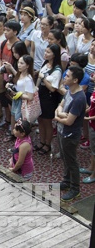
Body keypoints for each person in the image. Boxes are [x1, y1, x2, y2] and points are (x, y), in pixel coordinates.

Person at [55, 66, 86, 201]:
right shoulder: (69, 91)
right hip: (62, 132)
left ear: (75, 80)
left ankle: (75, 188)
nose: (64, 78)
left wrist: (57, 117)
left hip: (70, 135)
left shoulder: (79, 98)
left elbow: (69, 121)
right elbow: (60, 106)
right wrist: (60, 113)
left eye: (67, 76)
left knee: (71, 161)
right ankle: (66, 181)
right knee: (65, 157)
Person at [35, 44, 63, 155]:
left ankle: (48, 144)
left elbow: (53, 88)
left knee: (47, 121)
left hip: (49, 98)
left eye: (48, 52)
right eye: (45, 51)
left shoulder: (57, 70)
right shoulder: (46, 64)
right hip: (40, 95)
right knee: (40, 120)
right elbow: (39, 78)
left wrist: (44, 78)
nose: (45, 54)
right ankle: (41, 141)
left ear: (54, 55)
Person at [3, 54, 36, 140]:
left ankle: (21, 139)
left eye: (22, 63)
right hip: (17, 101)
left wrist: (18, 94)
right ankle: (14, 136)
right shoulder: (21, 74)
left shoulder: (28, 79)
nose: (19, 65)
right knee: (14, 117)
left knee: (20, 121)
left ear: (28, 66)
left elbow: (30, 96)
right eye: (18, 63)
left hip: (22, 103)